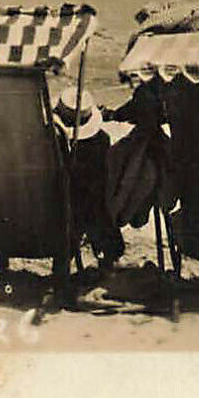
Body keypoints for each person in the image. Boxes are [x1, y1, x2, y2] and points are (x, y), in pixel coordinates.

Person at [53, 85, 123, 269]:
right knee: (93, 196)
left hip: (48, 201)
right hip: (77, 206)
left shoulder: (46, 140)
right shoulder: (100, 141)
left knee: (86, 193)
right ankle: (109, 254)